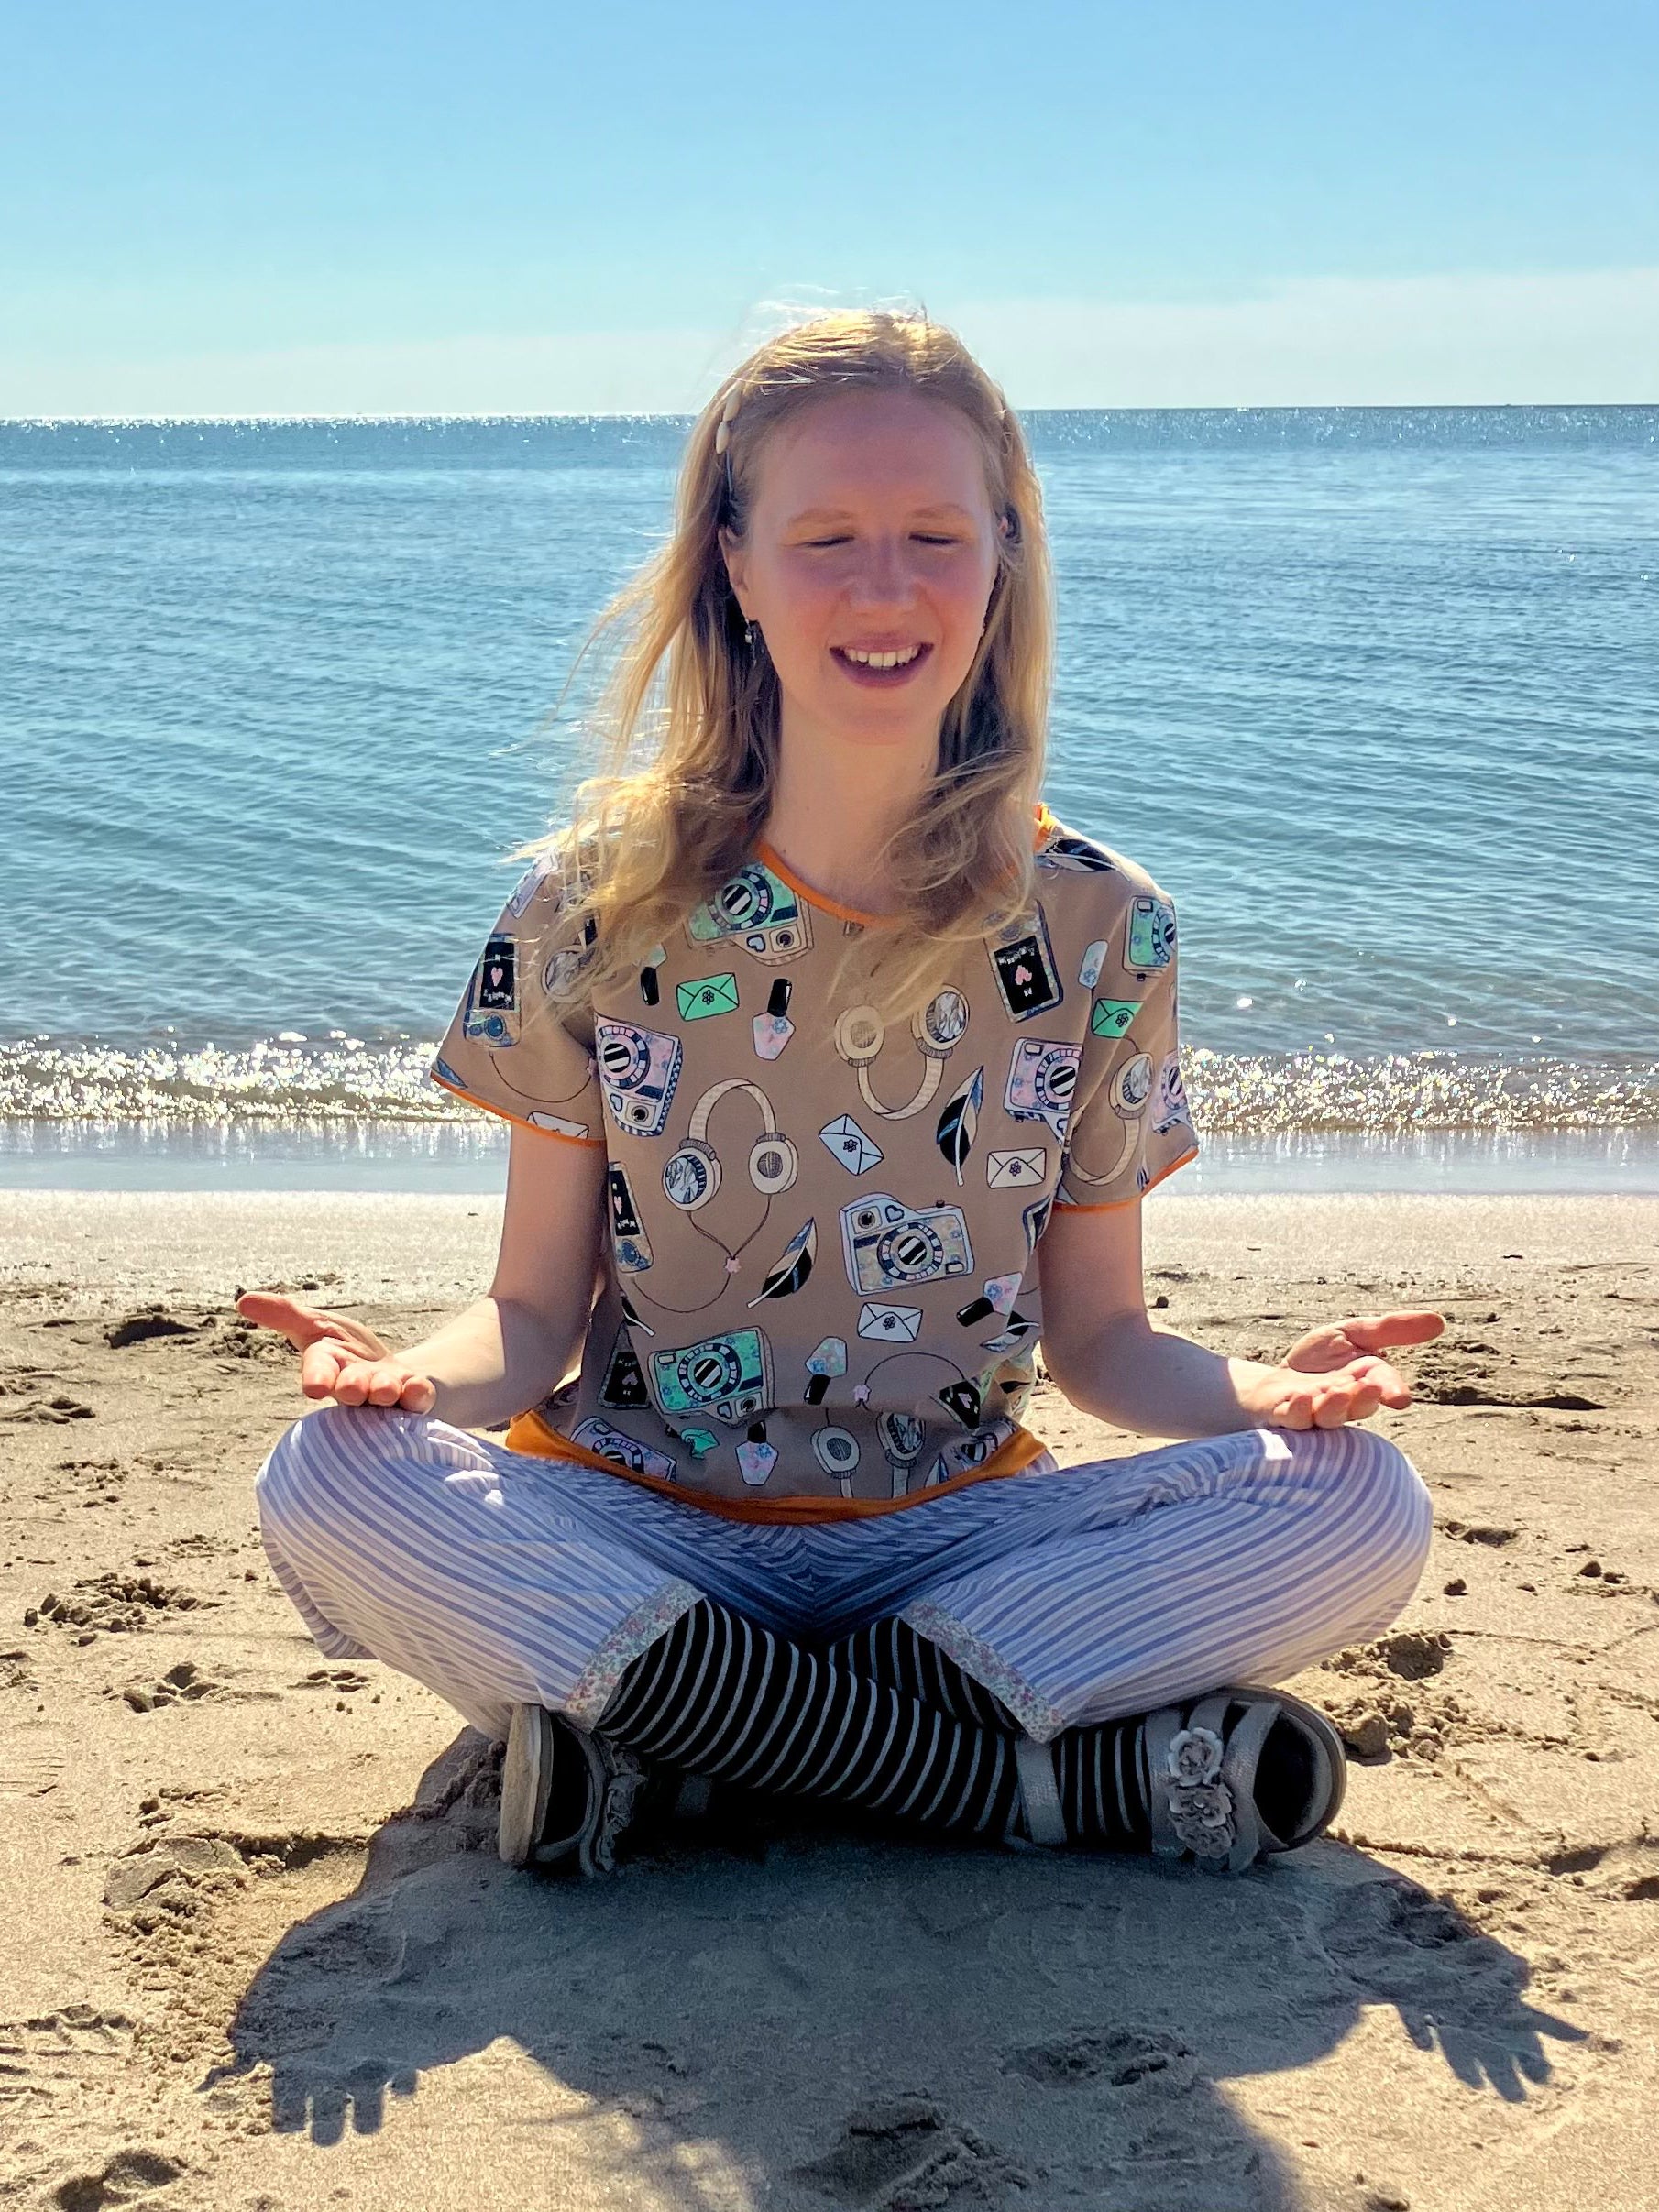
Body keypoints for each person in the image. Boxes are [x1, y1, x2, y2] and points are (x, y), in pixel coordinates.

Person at [247, 309, 1442, 1880]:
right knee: (325, 1478)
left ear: (1003, 556)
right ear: (732, 565)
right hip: (634, 1524)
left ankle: (681, 1761)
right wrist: (403, 1384)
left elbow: (1100, 1344)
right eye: (827, 537)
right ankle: (1019, 1789)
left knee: (1361, 1504)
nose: (885, 588)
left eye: (934, 534)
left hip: (951, 1546)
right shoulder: (588, 909)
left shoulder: (1097, 924)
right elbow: (530, 1318)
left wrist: (1270, 1402)